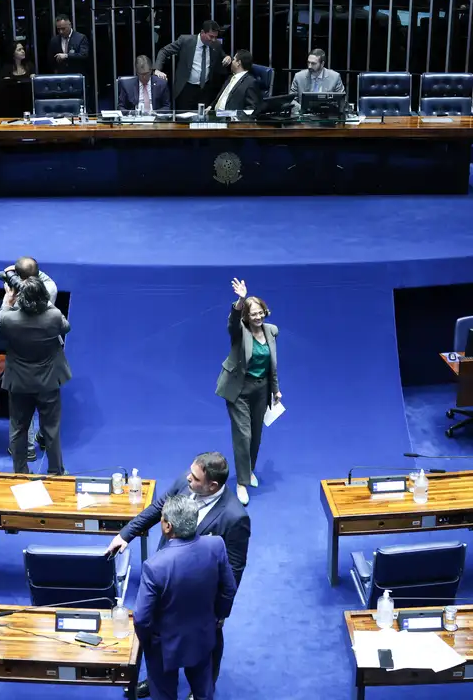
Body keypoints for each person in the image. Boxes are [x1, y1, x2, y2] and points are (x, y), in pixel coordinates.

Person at [107, 452, 249, 699]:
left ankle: (201, 690)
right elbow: (158, 508)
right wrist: (126, 534)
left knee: (206, 647)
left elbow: (234, 568)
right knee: (163, 642)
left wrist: (221, 613)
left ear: (212, 485)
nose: (188, 478)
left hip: (201, 597)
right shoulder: (186, 482)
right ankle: (158, 680)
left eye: (195, 478)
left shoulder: (235, 517)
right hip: (167, 579)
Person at [134, 494, 237, 700]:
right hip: (203, 634)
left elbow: (141, 618)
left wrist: (148, 643)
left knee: (164, 695)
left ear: (168, 526)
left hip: (164, 644)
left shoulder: (155, 566)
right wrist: (217, 617)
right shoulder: (216, 545)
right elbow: (229, 589)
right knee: (203, 693)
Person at [0, 276, 71, 475]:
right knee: (51, 429)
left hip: (19, 383)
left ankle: (20, 472)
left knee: (18, 429)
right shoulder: (53, 316)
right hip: (48, 381)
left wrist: (6, 303)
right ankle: (56, 472)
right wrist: (47, 304)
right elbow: (66, 327)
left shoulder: (9, 318)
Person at [215, 278, 280, 506]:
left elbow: (272, 365)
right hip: (239, 390)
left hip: (261, 389)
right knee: (244, 435)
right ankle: (241, 483)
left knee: (256, 434)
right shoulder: (239, 332)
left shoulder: (271, 331)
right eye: (253, 314)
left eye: (260, 312)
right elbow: (232, 322)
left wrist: (276, 390)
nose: (258, 317)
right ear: (247, 316)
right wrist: (241, 300)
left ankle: (249, 469)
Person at [154, 20, 233, 111]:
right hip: (186, 88)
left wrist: (228, 57)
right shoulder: (186, 41)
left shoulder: (216, 44)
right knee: (183, 117)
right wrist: (157, 69)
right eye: (211, 36)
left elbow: (224, 56)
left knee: (203, 117)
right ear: (202, 32)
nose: (213, 40)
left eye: (215, 37)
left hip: (205, 90)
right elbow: (164, 51)